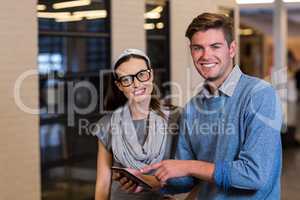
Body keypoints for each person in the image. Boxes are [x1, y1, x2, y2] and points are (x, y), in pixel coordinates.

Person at [142, 12, 283, 199]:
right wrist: (153, 181)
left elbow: (254, 175)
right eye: (197, 48)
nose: (206, 55)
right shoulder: (193, 107)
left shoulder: (260, 94)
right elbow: (188, 179)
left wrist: (188, 166)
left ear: (232, 49)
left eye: (215, 46)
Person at [94, 48, 180, 200]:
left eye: (141, 75)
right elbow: (102, 183)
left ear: (151, 74)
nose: (136, 84)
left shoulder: (176, 117)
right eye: (127, 79)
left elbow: (190, 171)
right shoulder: (107, 124)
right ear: (119, 85)